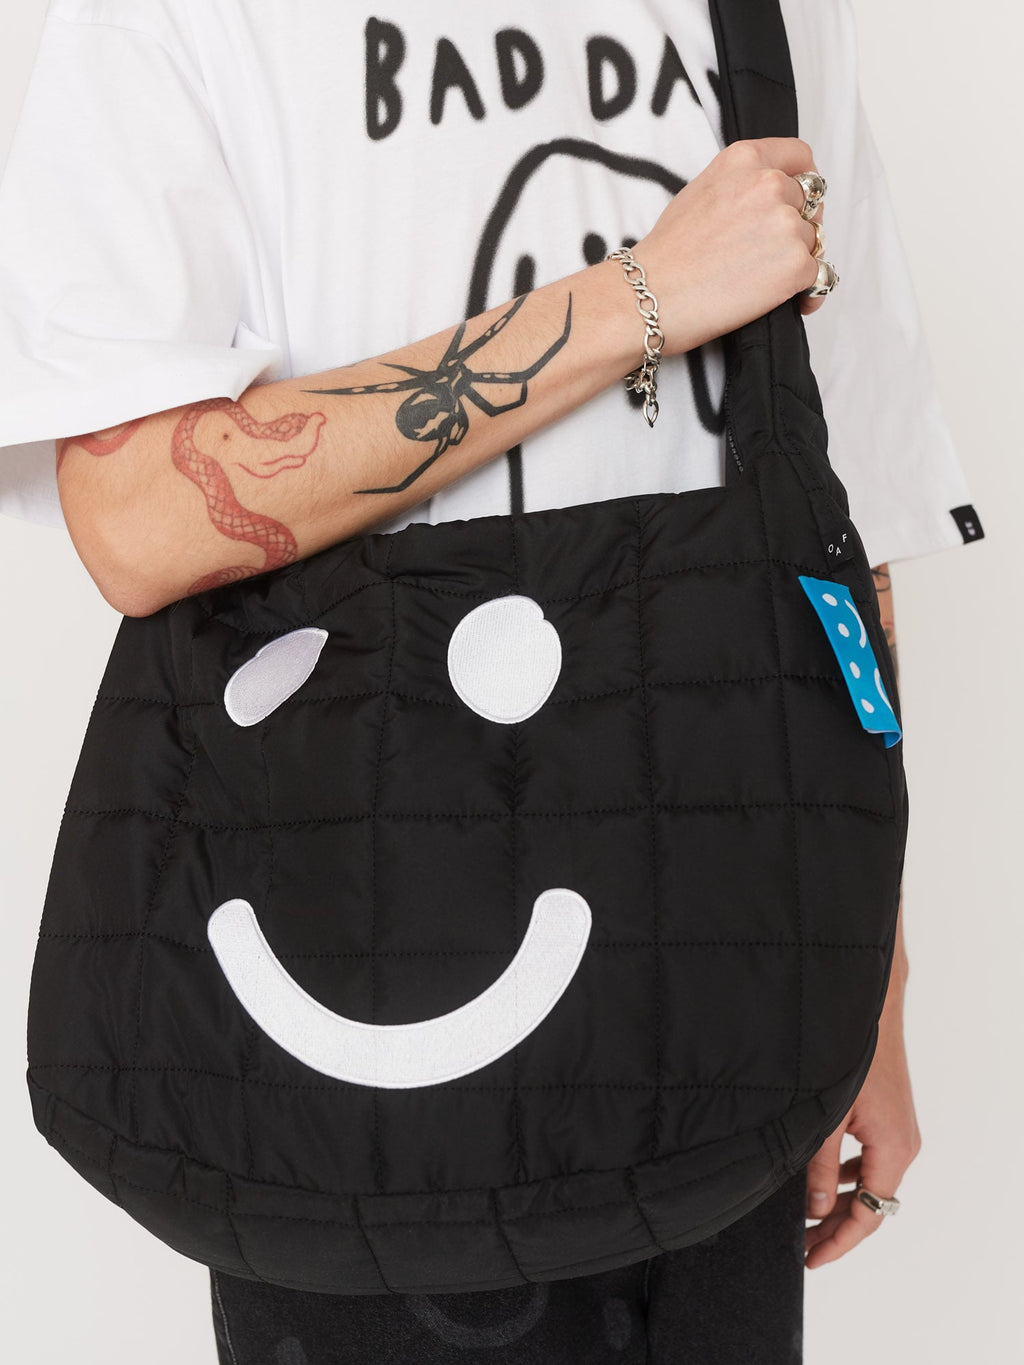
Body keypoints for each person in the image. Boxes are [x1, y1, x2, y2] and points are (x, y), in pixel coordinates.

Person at [0, 1, 983, 1361]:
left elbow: (831, 509)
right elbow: (138, 516)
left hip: (723, 950)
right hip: (356, 927)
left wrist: (873, 971)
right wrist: (638, 297)